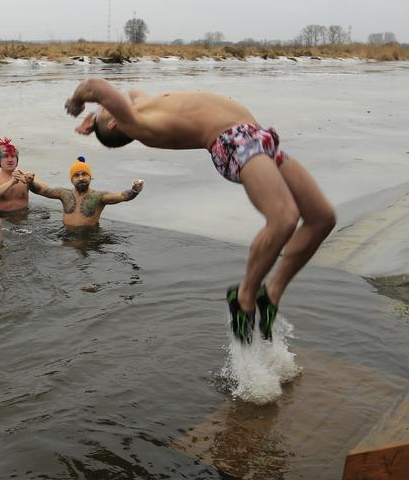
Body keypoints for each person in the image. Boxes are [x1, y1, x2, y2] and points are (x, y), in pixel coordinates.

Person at [65, 77, 336, 344]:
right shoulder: (137, 122)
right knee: (284, 218)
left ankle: (272, 292)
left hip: (258, 138)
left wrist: (95, 121)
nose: (106, 104)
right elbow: (95, 86)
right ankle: (244, 297)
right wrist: (77, 101)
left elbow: (132, 92)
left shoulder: (141, 107)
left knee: (321, 218)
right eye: (104, 109)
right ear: (116, 122)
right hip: (234, 143)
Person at [22, 156, 143, 228]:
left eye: (84, 174)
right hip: (66, 235)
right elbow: (41, 190)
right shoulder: (64, 194)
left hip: (90, 239)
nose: (81, 178)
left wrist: (134, 190)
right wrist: (31, 182)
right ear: (71, 180)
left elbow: (122, 196)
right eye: (76, 175)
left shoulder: (99, 197)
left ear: (90, 177)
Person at [0, 137, 31, 213]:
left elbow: (44, 190)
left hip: (23, 216)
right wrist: (12, 182)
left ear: (17, 160)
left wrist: (32, 182)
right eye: (6, 156)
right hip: (1, 217)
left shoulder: (25, 177)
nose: (10, 160)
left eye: (13, 156)